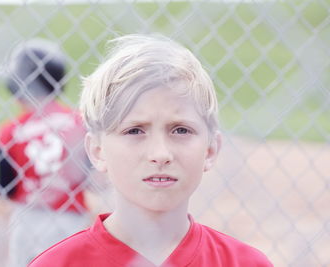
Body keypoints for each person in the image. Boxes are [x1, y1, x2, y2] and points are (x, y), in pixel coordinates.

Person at [29, 34, 273, 267]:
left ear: (210, 150)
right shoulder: (57, 264)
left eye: (180, 130)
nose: (160, 154)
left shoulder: (246, 263)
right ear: (97, 151)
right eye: (135, 131)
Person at [0, 38, 91, 267]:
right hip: (71, 218)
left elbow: (5, 188)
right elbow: (90, 176)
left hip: (28, 218)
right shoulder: (78, 123)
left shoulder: (10, 131)